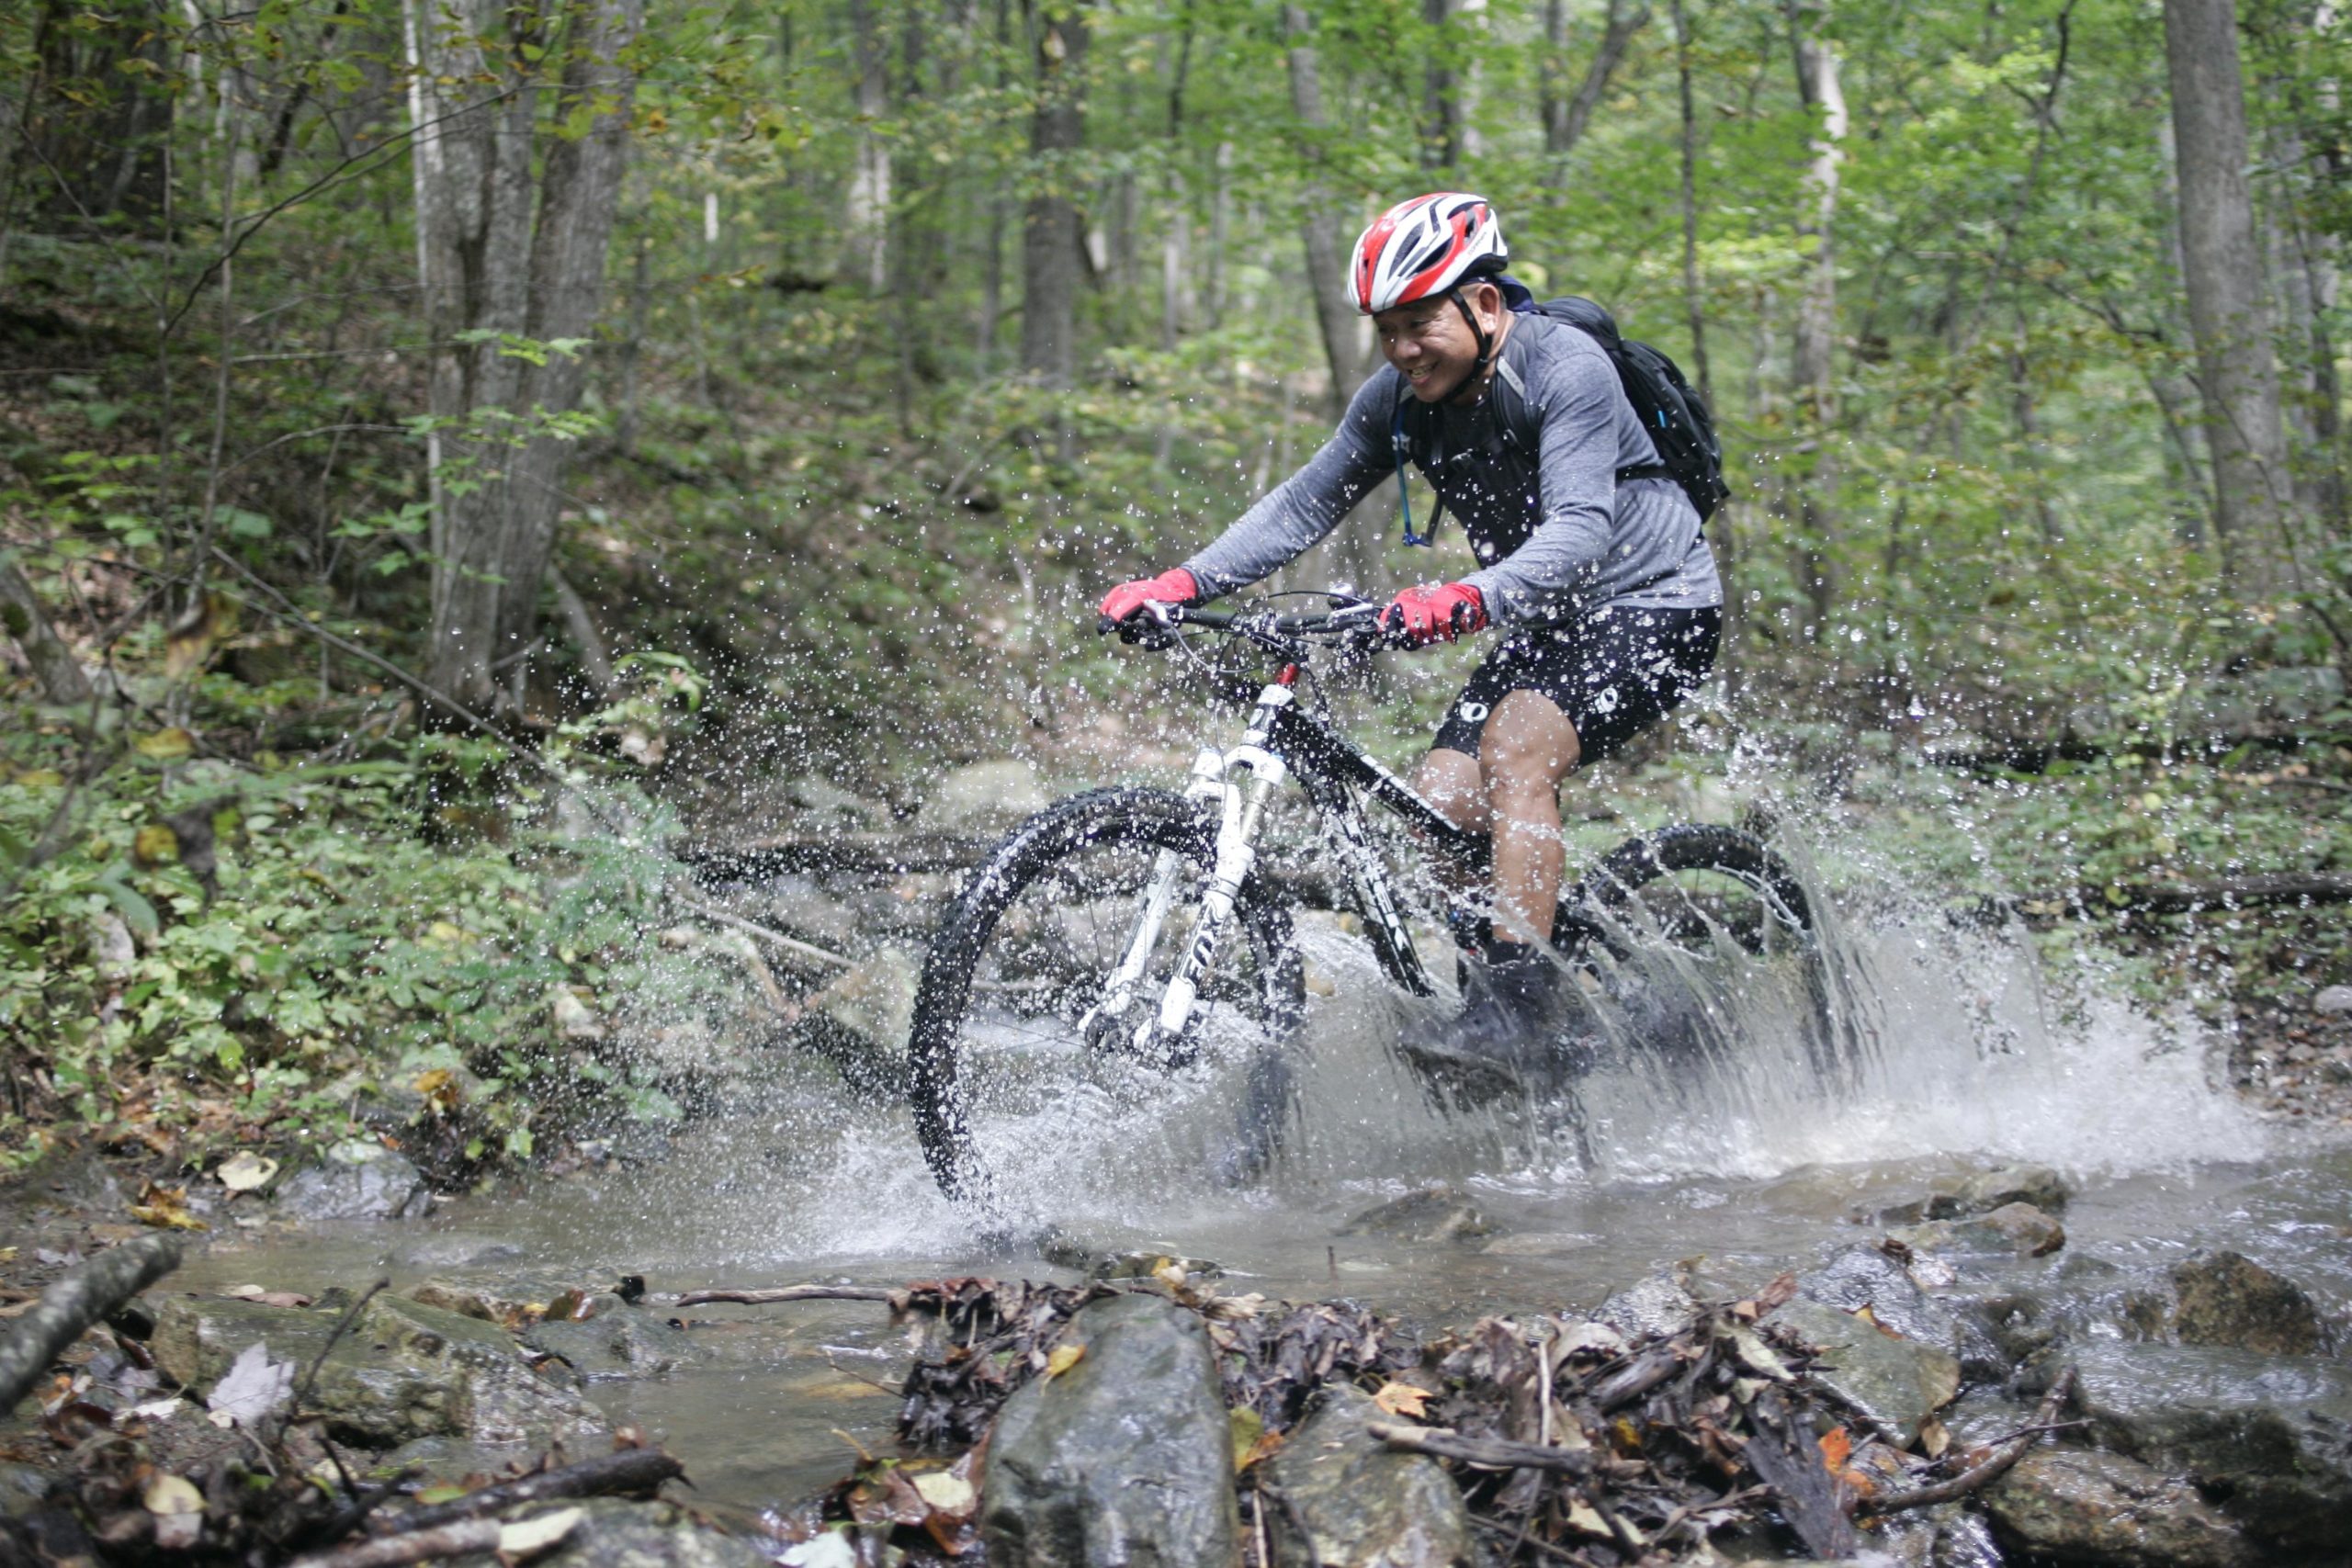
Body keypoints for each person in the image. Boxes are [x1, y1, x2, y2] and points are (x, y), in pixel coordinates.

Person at [1098, 191, 1722, 1096]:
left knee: (1517, 748)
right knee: (1440, 799)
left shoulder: (1566, 370)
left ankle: (1519, 1015)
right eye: (1386, 329)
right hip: (1546, 618)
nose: (1401, 349)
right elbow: (1304, 504)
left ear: (1485, 303)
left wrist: (1465, 596)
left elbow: (1582, 529)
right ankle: (1499, 1004)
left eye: (1420, 322)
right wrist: (1180, 582)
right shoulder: (1400, 399)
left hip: (1655, 603)